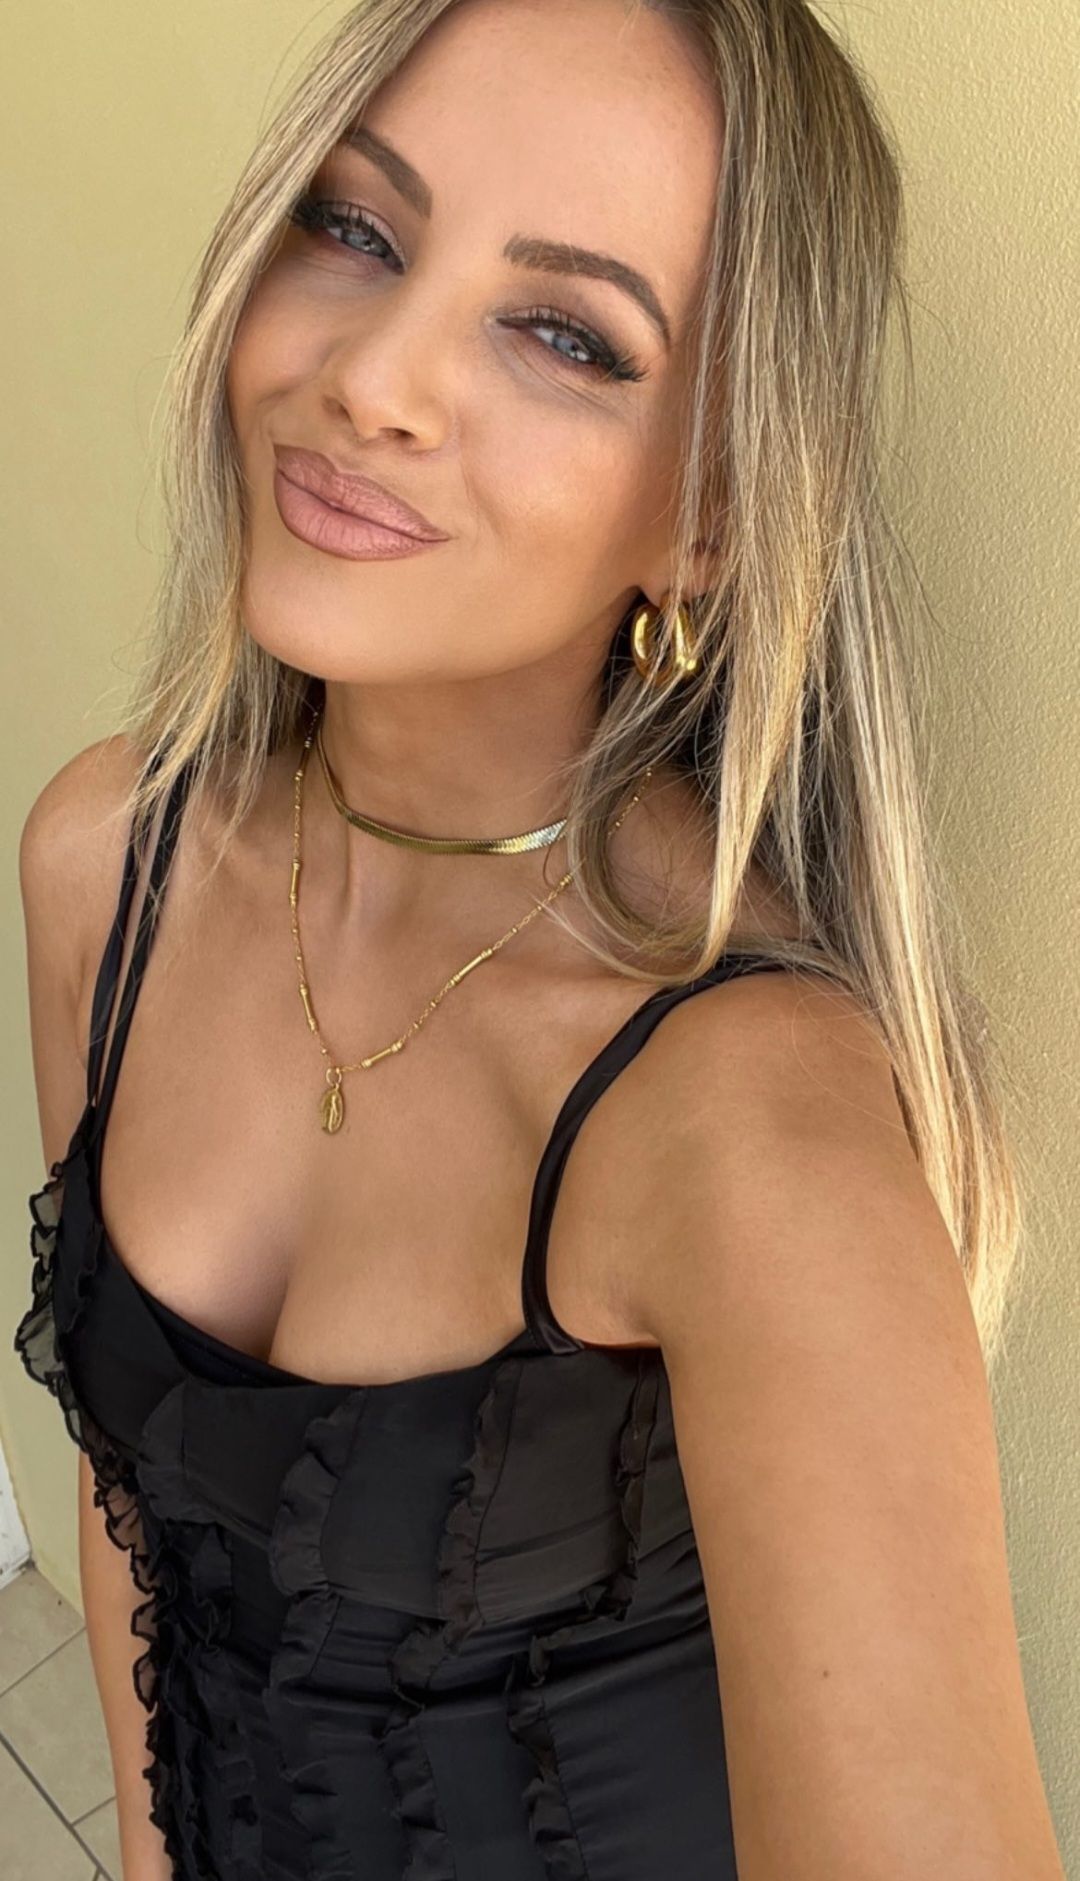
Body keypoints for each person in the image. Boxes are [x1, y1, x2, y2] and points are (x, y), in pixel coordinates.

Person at [15, 1, 1065, 1876]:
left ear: (712, 516)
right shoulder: (109, 857)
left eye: (565, 333)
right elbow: (135, 1532)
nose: (375, 379)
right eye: (354, 227)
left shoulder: (744, 1128)